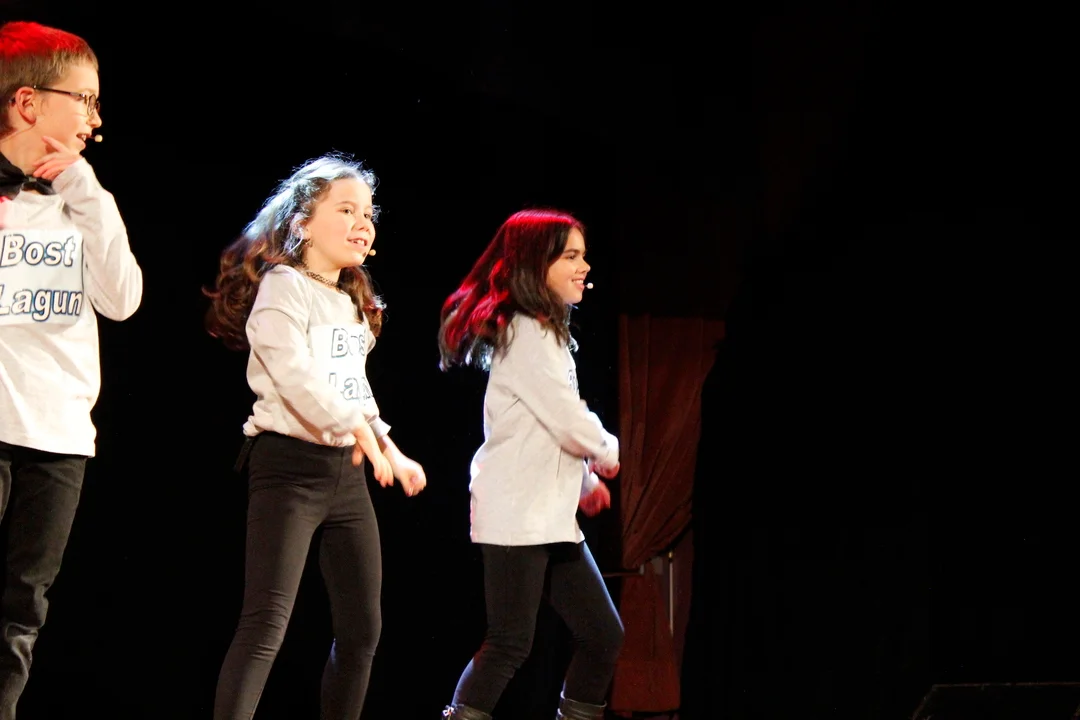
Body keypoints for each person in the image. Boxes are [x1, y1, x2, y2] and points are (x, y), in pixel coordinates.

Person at [203, 153, 426, 719]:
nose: (362, 223)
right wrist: (357, 430)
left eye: (368, 214)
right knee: (266, 624)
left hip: (345, 476)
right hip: (288, 468)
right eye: (346, 210)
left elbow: (354, 390)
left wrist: (389, 447)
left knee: (363, 630)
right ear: (303, 223)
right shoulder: (284, 286)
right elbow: (295, 375)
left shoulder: (349, 302)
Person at [0, 20, 143, 719]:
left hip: (58, 437)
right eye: (83, 99)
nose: (94, 118)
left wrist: (87, 193)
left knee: (22, 610)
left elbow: (122, 299)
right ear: (28, 103)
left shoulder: (85, 204)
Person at [437, 209, 624, 720]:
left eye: (584, 256)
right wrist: (606, 451)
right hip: (517, 515)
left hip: (549, 516)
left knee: (602, 635)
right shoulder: (525, 333)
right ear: (536, 265)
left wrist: (583, 481)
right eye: (571, 257)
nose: (584, 267)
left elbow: (546, 425)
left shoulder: (548, 335)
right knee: (509, 643)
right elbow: (566, 416)